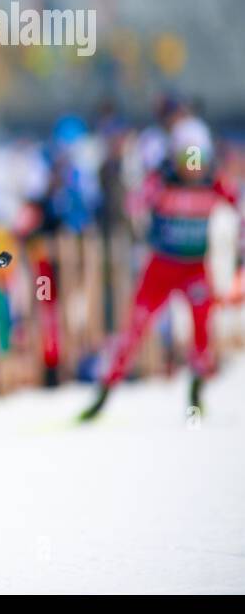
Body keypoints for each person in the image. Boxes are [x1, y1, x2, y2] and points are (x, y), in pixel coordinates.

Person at [80, 116, 239, 420]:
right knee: (136, 327)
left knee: (202, 328)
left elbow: (238, 204)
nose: (193, 169)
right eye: (186, 160)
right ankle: (104, 392)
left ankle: (196, 395)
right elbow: (134, 204)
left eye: (199, 161)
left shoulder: (214, 183)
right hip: (162, 267)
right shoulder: (163, 180)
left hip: (194, 267)